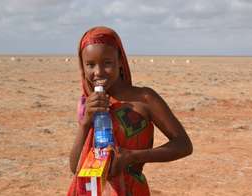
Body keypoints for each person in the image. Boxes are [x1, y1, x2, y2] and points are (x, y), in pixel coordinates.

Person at [67, 26, 193, 196]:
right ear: (83, 67)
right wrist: (85, 123)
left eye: (107, 63)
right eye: (90, 65)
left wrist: (132, 156)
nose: (98, 72)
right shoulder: (88, 104)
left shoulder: (144, 99)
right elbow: (76, 168)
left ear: (120, 61)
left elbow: (183, 145)